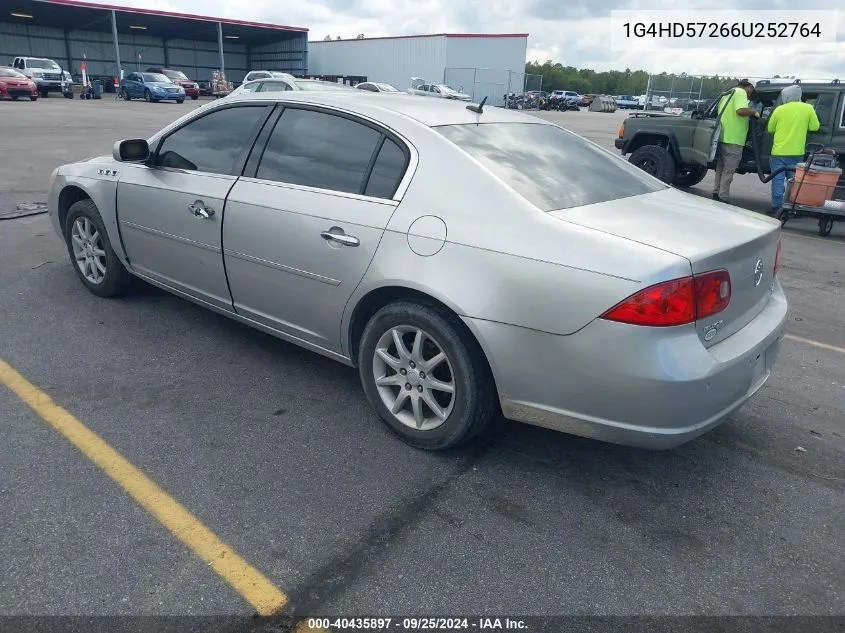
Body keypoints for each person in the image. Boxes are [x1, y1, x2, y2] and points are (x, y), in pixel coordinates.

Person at [766, 84, 821, 213]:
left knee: (778, 181)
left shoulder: (780, 110)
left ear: (786, 96)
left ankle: (777, 208)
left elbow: (770, 128)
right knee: (794, 181)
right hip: (797, 152)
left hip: (778, 152)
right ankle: (792, 208)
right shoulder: (808, 108)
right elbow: (815, 127)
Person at [712, 79, 760, 203]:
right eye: (752, 90)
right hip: (734, 139)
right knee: (729, 169)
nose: (751, 92)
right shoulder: (740, 93)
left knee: (720, 168)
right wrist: (754, 112)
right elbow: (740, 110)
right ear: (749, 87)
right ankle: (723, 196)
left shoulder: (729, 93)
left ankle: (716, 192)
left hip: (723, 136)